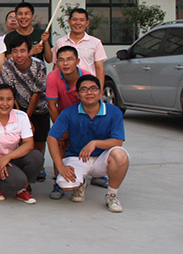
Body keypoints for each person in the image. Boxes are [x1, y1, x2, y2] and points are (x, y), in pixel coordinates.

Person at [47, 75, 129, 213]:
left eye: (93, 88)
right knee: (66, 185)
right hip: (77, 157)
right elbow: (51, 137)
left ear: (100, 91)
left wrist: (95, 143)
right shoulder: (69, 112)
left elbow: (118, 141)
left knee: (120, 155)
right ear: (78, 94)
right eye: (84, 89)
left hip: (103, 159)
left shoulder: (113, 111)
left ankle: (112, 195)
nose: (89, 92)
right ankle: (81, 183)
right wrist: (60, 166)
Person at [46, 46, 97, 199]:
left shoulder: (87, 77)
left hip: (84, 116)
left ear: (78, 61)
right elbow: (51, 105)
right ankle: (58, 181)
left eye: (69, 59)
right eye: (61, 60)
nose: (65, 63)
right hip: (63, 117)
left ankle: (96, 173)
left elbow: (93, 104)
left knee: (90, 142)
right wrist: (61, 130)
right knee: (59, 142)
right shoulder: (53, 77)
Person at [0, 35, 50, 181]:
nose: (19, 55)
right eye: (15, 51)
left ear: (29, 51)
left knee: (39, 141)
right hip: (17, 108)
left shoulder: (39, 65)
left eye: (22, 51)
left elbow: (36, 94)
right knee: (20, 140)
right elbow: (10, 93)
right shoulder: (7, 66)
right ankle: (21, 168)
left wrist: (26, 119)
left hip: (39, 107)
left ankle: (38, 167)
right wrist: (20, 116)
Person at [52, 8, 107, 88]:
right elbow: (56, 66)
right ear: (69, 21)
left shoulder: (95, 43)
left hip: (87, 87)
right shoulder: (60, 42)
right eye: (75, 19)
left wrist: (100, 90)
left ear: (87, 23)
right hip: (65, 87)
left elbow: (99, 69)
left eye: (82, 20)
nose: (78, 23)